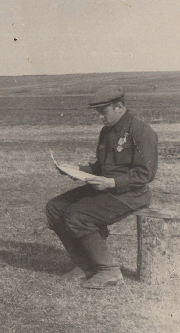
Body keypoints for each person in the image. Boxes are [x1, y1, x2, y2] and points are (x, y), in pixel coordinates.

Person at [46, 85, 158, 289]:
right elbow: (101, 166)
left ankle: (109, 270)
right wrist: (76, 169)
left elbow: (145, 174)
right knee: (55, 207)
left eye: (102, 112)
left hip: (132, 193)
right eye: (98, 112)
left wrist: (112, 182)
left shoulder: (141, 131)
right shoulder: (106, 132)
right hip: (106, 188)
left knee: (78, 214)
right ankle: (85, 264)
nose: (99, 117)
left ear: (119, 106)